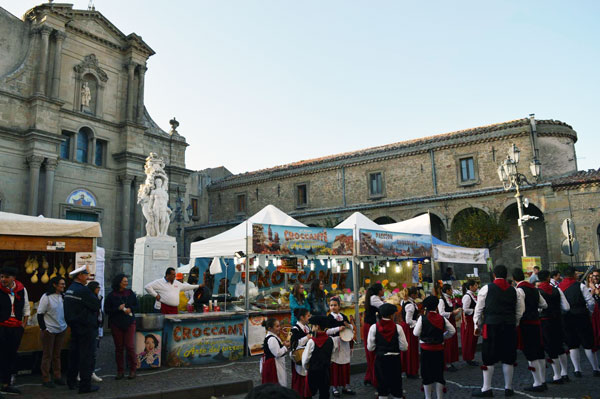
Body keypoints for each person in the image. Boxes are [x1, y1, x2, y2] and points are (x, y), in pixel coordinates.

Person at [472, 265, 524, 397]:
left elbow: (479, 309)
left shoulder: (486, 288)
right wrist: (515, 322)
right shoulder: (514, 290)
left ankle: (486, 388)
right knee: (508, 356)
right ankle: (508, 388)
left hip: (491, 325)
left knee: (489, 357)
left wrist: (476, 325)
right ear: (506, 276)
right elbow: (520, 310)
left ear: (494, 275)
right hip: (509, 325)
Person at [64, 266, 101, 394]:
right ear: (79, 276)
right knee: (86, 357)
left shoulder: (70, 289)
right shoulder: (84, 291)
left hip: (74, 327)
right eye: (86, 275)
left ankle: (71, 382)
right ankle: (85, 386)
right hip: (86, 328)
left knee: (74, 356)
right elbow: (96, 305)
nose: (87, 277)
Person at [559, 267, 600, 377]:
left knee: (572, 344)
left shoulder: (559, 287)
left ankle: (577, 369)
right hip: (581, 316)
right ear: (573, 275)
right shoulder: (580, 286)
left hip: (567, 318)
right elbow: (590, 302)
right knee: (588, 343)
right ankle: (595, 368)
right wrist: (589, 313)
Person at [414, 295, 456, 399]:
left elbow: (415, 333)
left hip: (425, 350)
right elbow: (452, 331)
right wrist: (442, 337)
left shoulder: (422, 318)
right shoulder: (442, 319)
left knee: (426, 374)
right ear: (436, 306)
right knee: (439, 374)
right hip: (439, 349)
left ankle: (428, 397)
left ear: (425, 307)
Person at [513, 268, 548, 391]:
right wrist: (535, 310)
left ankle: (537, 383)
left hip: (526, 324)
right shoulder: (534, 289)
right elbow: (544, 304)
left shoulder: (519, 290)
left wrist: (516, 321)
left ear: (513, 279)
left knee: (530, 352)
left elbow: (520, 309)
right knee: (539, 350)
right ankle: (543, 380)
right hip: (536, 322)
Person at [367, 303, 408, 399]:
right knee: (397, 387)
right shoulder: (398, 328)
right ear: (392, 315)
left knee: (382, 388)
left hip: (381, 360)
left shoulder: (374, 327)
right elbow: (404, 347)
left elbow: (370, 347)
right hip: (394, 359)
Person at [537, 270, 571, 384]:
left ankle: (557, 375)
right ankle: (564, 373)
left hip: (545, 322)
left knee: (551, 348)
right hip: (557, 320)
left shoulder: (538, 292)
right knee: (560, 346)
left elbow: (539, 308)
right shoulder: (557, 290)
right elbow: (566, 307)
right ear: (548, 278)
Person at [0, 266, 30, 395]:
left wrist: (23, 325)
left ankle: (6, 384)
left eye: (6, 277)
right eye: (1, 277)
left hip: (16, 327)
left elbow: (26, 308)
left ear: (13, 278)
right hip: (1, 326)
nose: (3, 279)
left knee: (11, 355)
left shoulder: (22, 290)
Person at [105, 274, 138, 380]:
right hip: (116, 324)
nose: (126, 283)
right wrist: (118, 308)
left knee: (130, 346)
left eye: (127, 281)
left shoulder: (130, 293)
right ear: (119, 282)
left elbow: (137, 305)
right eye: (124, 281)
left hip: (129, 322)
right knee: (119, 348)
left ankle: (133, 369)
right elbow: (107, 310)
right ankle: (120, 371)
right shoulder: (111, 296)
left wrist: (130, 309)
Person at [38, 276, 67, 388]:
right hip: (49, 329)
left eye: (64, 284)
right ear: (55, 285)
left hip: (61, 328)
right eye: (61, 284)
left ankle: (57, 376)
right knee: (47, 355)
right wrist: (44, 329)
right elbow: (40, 314)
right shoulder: (46, 297)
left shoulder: (63, 297)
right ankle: (46, 378)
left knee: (57, 354)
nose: (63, 286)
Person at [326, 296, 355, 397]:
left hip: (345, 343)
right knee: (335, 366)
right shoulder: (329, 318)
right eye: (331, 305)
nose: (333, 307)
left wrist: (348, 326)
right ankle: (335, 387)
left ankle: (345, 386)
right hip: (335, 344)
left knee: (345, 365)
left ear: (339, 306)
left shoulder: (343, 316)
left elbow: (350, 327)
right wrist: (338, 328)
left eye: (335, 305)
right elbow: (327, 331)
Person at [302, 315, 334, 399]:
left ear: (317, 327)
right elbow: (332, 356)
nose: (311, 328)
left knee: (309, 393)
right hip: (325, 371)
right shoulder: (330, 340)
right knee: (324, 393)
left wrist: (306, 368)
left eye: (312, 326)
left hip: (313, 371)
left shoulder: (311, 342)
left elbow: (305, 359)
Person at [363, 283, 384, 386]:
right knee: (373, 352)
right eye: (382, 289)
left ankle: (369, 376)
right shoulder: (374, 298)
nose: (384, 291)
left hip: (370, 325)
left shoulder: (373, 298)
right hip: (371, 327)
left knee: (371, 353)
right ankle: (374, 377)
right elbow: (385, 307)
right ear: (379, 291)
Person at [290, 308, 312, 399]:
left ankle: (307, 394)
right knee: (299, 378)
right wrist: (307, 337)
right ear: (302, 317)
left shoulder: (307, 327)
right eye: (308, 316)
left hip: (307, 356)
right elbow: (294, 343)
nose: (309, 318)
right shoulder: (295, 329)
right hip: (299, 357)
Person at [438, 284, 460, 371]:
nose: (452, 291)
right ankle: (447, 363)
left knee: (452, 342)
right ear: (447, 291)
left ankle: (450, 361)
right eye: (451, 290)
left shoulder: (449, 299)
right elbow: (441, 313)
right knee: (447, 342)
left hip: (451, 321)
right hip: (446, 323)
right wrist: (452, 313)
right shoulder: (441, 300)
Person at [261, 318, 289, 386]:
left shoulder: (273, 337)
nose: (279, 328)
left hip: (274, 363)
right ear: (270, 328)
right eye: (277, 326)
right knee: (276, 383)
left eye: (279, 326)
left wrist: (283, 345)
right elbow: (277, 353)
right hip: (273, 365)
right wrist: (285, 347)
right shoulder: (272, 339)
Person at [85, 281, 103, 383]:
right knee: (88, 351)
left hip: (96, 327)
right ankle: (83, 372)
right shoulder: (90, 299)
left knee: (93, 352)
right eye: (97, 287)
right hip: (90, 327)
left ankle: (91, 371)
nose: (99, 289)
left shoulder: (98, 297)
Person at [400, 286, 420, 378]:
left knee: (409, 349)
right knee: (411, 349)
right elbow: (408, 320)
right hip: (409, 328)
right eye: (416, 293)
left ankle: (408, 369)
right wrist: (418, 322)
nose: (418, 295)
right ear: (413, 294)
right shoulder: (410, 305)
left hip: (406, 327)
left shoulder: (405, 302)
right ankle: (411, 370)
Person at [461, 279, 479, 366]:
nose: (477, 287)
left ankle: (471, 356)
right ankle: (468, 357)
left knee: (473, 339)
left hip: (473, 320)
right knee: (469, 339)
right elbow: (465, 309)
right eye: (475, 285)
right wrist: (474, 310)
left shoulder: (472, 295)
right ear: (470, 287)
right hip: (469, 320)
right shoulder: (467, 296)